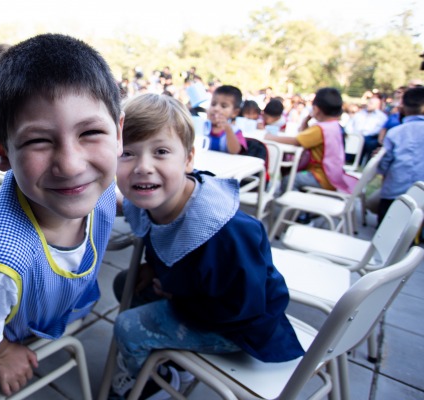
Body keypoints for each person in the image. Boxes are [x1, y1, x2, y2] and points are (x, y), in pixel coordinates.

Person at [0, 33, 123, 396]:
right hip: (3, 322)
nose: (72, 164)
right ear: (1, 151)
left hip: (49, 305)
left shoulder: (105, 187)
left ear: (119, 133)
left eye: (92, 132)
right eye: (38, 141)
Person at [110, 93, 304, 398]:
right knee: (127, 283)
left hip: (239, 326)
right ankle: (167, 356)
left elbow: (244, 306)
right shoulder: (156, 196)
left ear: (188, 159)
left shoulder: (225, 233)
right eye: (127, 154)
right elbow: (133, 213)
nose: (143, 167)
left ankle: (155, 381)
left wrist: (178, 295)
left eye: (160, 151)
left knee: (127, 327)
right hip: (199, 296)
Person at [265, 87, 357, 193]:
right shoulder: (334, 126)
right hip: (333, 173)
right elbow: (302, 133)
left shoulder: (320, 129)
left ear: (316, 109)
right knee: (288, 171)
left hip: (321, 176)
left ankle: (294, 206)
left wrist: (271, 137)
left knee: (288, 180)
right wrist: (307, 120)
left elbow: (297, 141)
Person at [376, 86, 424, 224]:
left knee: (386, 230)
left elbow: (383, 165)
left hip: (394, 195)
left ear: (403, 107)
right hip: (421, 200)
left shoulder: (395, 133)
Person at [345, 94, 387, 165]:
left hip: (369, 138)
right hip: (354, 135)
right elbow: (350, 124)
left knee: (370, 143)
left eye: (371, 103)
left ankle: (361, 163)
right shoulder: (359, 113)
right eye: (369, 102)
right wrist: (351, 133)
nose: (368, 104)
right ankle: (348, 161)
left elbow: (378, 129)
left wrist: (363, 135)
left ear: (377, 105)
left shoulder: (381, 117)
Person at [206, 85, 248, 154]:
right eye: (213, 104)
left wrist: (228, 129)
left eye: (223, 106)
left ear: (235, 112)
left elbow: (235, 151)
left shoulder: (235, 131)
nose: (216, 109)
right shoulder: (203, 127)